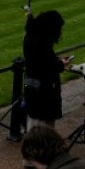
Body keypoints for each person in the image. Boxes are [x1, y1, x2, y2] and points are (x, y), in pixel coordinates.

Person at [22, 10, 70, 147]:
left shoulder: (31, 37)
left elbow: (41, 61)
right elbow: (46, 66)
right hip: (44, 88)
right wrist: (61, 63)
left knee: (34, 122)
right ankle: (40, 155)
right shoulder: (41, 42)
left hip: (33, 85)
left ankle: (35, 154)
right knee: (42, 124)